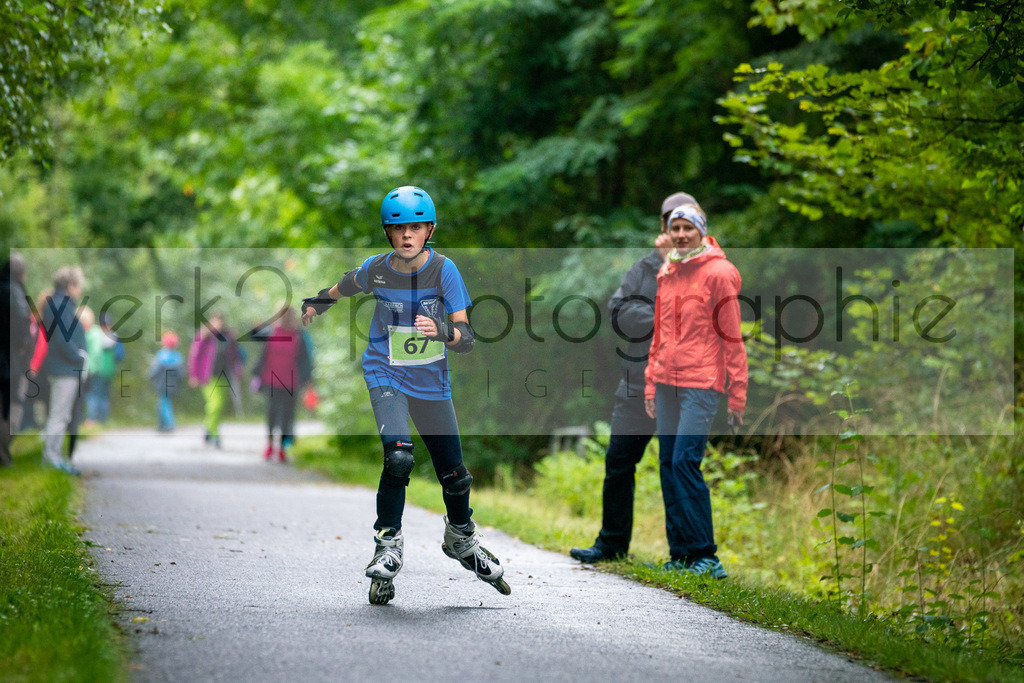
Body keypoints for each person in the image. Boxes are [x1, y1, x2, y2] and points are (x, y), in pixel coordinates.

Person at [301, 185, 510, 605]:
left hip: (431, 382)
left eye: (416, 227)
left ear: (430, 229)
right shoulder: (378, 269)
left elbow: (466, 336)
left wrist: (445, 333)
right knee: (398, 457)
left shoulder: (444, 271)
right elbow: (346, 284)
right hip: (386, 373)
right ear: (388, 234)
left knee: (455, 475)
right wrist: (317, 303)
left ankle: (461, 537)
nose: (407, 235)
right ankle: (388, 542)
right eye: (398, 229)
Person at [570, 192, 699, 563]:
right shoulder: (644, 267)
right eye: (670, 222)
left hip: (681, 384)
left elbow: (697, 316)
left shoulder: (704, 268)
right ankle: (611, 544)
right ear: (662, 227)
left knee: (676, 467)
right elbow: (617, 312)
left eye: (685, 222)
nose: (677, 230)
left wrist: (656, 311)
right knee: (618, 462)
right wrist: (664, 318)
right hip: (637, 381)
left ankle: (686, 555)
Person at [644, 202, 748, 578]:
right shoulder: (668, 269)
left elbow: (732, 336)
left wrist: (737, 392)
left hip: (701, 383)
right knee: (668, 465)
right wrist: (650, 383)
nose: (682, 234)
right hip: (666, 382)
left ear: (701, 230)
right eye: (676, 228)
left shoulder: (720, 273)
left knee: (686, 462)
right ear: (669, 232)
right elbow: (660, 331)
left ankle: (707, 556)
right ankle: (682, 555)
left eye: (689, 227)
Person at [40, 266, 87, 475]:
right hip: (64, 367)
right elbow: (63, 338)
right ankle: (52, 458)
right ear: (70, 285)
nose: (79, 289)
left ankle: (55, 456)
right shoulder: (60, 305)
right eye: (78, 285)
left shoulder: (59, 304)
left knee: (61, 414)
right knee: (59, 415)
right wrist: (78, 356)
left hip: (64, 366)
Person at [251, 305, 312, 462]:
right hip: (270, 380)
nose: (284, 318)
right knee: (271, 412)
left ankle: (283, 448)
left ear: (292, 317)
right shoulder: (270, 332)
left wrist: (308, 380)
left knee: (287, 415)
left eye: (287, 316)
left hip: (291, 382)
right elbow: (254, 337)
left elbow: (305, 360)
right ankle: (270, 444)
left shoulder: (299, 335)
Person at [188, 311, 243, 449]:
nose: (219, 324)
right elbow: (195, 356)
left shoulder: (229, 336)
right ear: (211, 321)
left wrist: (237, 370)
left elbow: (235, 355)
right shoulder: (204, 336)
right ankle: (215, 435)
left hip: (224, 376)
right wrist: (193, 374)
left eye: (221, 321)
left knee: (219, 406)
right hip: (208, 377)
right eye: (216, 321)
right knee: (215, 404)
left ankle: (208, 427)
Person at [1, 254, 33, 466]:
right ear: (21, 274)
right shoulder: (15, 292)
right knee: (9, 406)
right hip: (8, 359)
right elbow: (22, 323)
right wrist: (23, 347)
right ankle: (3, 455)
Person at [84, 312, 124, 426]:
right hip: (109, 370)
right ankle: (103, 420)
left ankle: (91, 419)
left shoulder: (96, 335)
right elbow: (120, 355)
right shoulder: (115, 337)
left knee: (93, 394)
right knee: (104, 395)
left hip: (97, 369)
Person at [149, 331, 184, 433]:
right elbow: (181, 373)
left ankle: (170, 424)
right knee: (164, 402)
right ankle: (161, 426)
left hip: (161, 383)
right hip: (172, 384)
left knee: (164, 403)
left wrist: (149, 376)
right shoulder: (178, 356)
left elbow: (154, 369)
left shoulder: (161, 355)